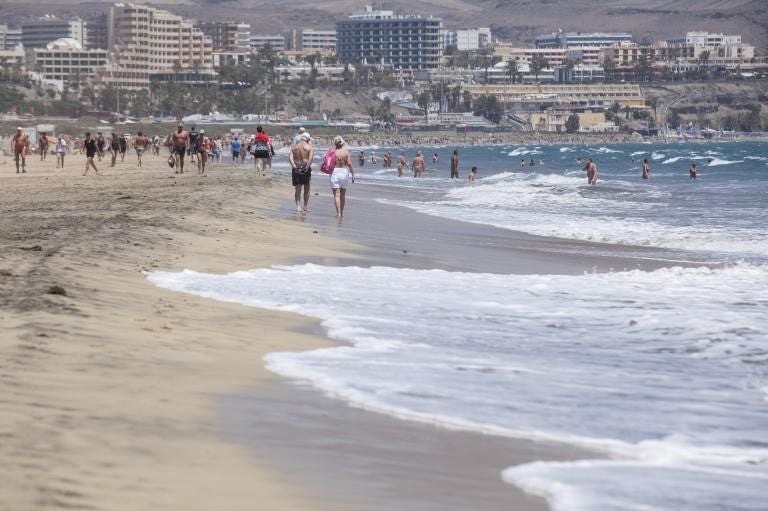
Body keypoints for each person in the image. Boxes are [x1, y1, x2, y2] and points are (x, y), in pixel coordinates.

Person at [330, 136, 355, 218]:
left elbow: (328, 163)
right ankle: (342, 213)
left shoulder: (332, 152)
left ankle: (338, 213)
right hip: (344, 172)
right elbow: (350, 164)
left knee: (337, 195)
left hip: (335, 172)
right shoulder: (346, 152)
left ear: (335, 143)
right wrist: (353, 174)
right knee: (343, 195)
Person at [289, 132, 314, 212]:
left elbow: (290, 158)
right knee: (307, 188)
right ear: (308, 139)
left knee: (298, 188)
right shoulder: (309, 147)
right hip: (305, 168)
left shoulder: (294, 147)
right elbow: (310, 159)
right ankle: (305, 206)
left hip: (296, 168)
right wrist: (306, 168)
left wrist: (294, 167)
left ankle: (298, 207)